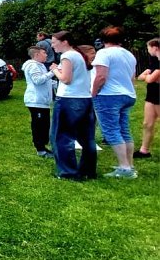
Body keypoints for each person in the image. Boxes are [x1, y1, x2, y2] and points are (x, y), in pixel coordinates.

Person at [92, 26, 138, 179]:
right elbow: (132, 77)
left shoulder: (103, 53)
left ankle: (124, 168)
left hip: (109, 95)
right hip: (128, 94)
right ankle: (129, 165)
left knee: (111, 131)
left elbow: (101, 77)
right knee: (124, 130)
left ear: (103, 39)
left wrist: (93, 93)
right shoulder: (129, 55)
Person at [49, 31, 96, 180]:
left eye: (54, 42)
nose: (52, 45)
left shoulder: (67, 56)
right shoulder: (78, 54)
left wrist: (55, 70)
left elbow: (66, 79)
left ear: (65, 42)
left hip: (69, 99)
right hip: (85, 99)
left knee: (62, 136)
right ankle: (87, 170)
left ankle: (68, 172)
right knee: (87, 137)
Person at [22, 45, 55, 157]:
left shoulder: (40, 66)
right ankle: (40, 149)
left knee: (45, 125)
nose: (46, 55)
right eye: (44, 53)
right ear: (36, 55)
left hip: (42, 101)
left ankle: (43, 147)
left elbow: (45, 81)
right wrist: (53, 72)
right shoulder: (33, 66)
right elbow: (38, 80)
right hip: (36, 100)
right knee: (39, 125)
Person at [135, 38, 160, 159]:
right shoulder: (154, 62)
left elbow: (149, 79)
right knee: (147, 123)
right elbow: (141, 77)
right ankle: (144, 150)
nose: (148, 50)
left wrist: (148, 75)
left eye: (148, 47)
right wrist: (148, 75)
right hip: (151, 95)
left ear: (155, 47)